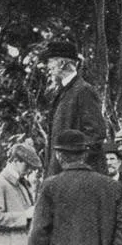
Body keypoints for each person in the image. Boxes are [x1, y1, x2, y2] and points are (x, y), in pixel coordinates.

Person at [41, 40, 107, 176]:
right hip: (61, 176)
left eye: (50, 61)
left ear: (62, 63)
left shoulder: (83, 90)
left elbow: (95, 135)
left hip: (77, 179)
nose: (47, 67)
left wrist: (73, 167)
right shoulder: (63, 92)